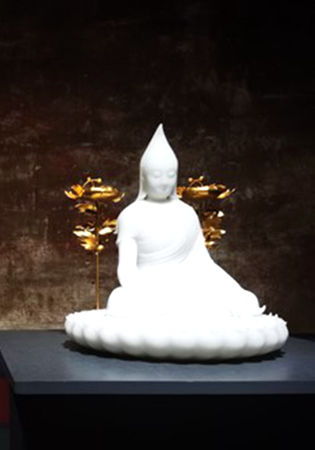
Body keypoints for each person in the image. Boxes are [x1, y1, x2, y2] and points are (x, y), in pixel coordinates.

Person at [106, 124, 263, 319]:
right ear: (143, 178)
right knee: (120, 300)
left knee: (246, 299)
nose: (164, 181)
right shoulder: (131, 215)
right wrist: (147, 293)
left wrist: (234, 290)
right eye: (156, 175)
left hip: (188, 284)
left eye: (170, 175)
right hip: (149, 287)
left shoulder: (187, 213)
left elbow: (204, 263)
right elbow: (127, 269)